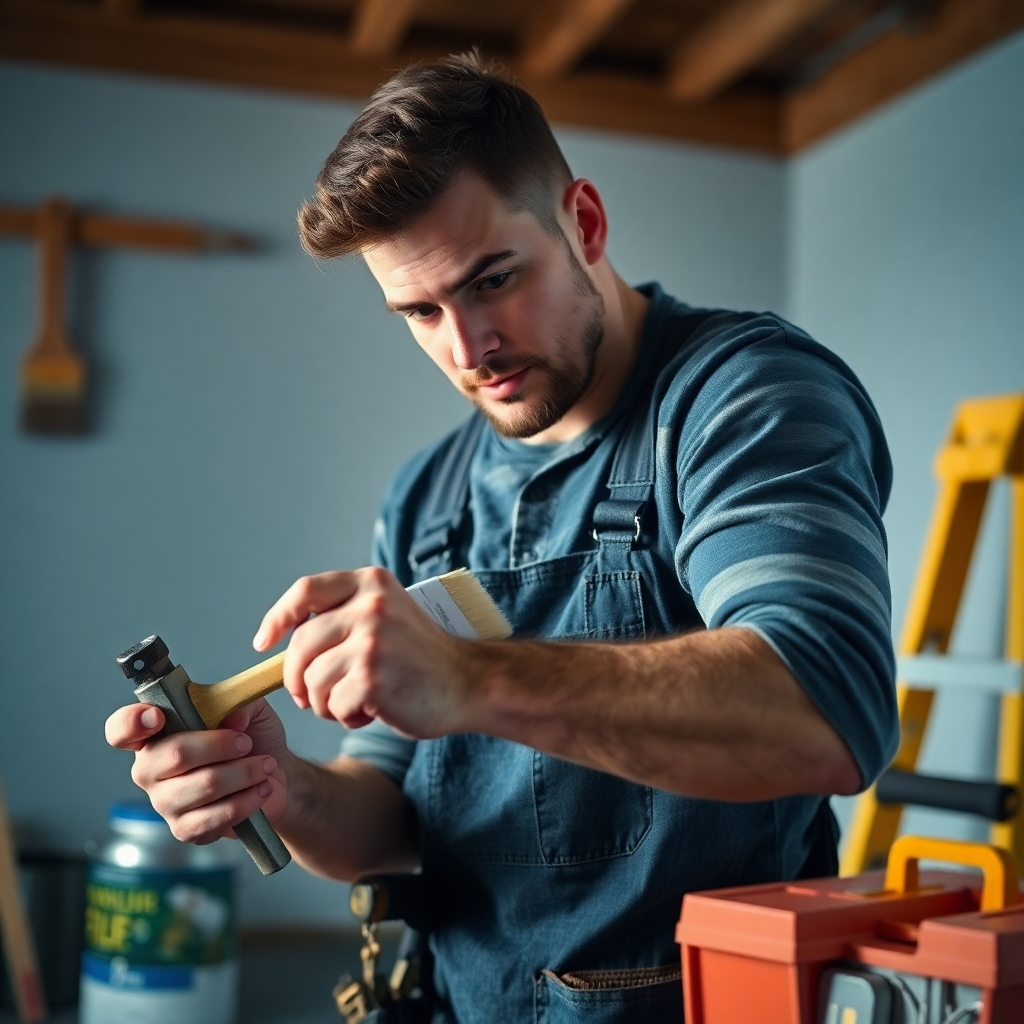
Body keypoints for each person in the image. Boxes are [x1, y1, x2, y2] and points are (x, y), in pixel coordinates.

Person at [105, 52, 898, 1023]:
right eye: (421, 312)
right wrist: (270, 785)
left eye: (493, 280)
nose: (467, 348)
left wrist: (474, 677)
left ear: (585, 224)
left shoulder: (741, 396)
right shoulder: (429, 493)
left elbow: (825, 708)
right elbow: (394, 823)